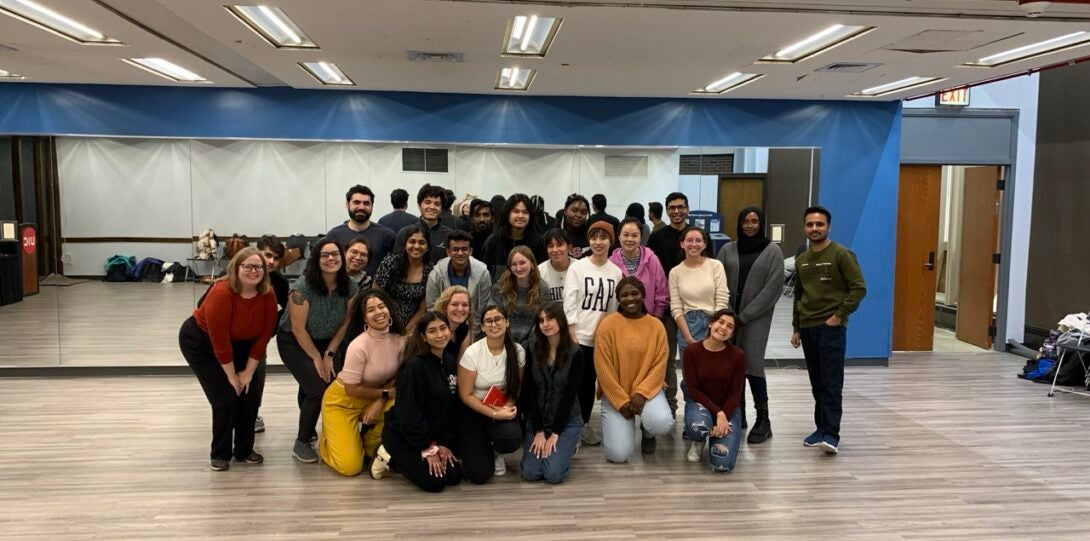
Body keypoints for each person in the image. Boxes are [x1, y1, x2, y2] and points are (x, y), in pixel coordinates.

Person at [179, 248, 278, 471]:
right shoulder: (222, 292)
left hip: (242, 342)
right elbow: (220, 342)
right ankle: (220, 453)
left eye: (259, 267)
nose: (254, 271)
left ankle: (244, 450)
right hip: (201, 343)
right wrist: (232, 376)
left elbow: (263, 337)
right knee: (225, 396)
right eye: (248, 266)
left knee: (249, 395)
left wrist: (248, 373)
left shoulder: (268, 294)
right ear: (235, 268)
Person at [791, 206, 867, 455]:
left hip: (831, 329)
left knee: (831, 383)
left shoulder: (842, 254)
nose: (814, 229)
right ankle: (820, 429)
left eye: (819, 224)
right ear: (804, 228)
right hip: (808, 327)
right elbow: (799, 295)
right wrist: (796, 327)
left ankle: (831, 434)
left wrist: (838, 316)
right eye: (810, 224)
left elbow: (858, 288)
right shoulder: (801, 260)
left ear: (829, 227)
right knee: (817, 382)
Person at [278, 238, 357, 464]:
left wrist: (329, 354)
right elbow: (298, 329)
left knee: (337, 385)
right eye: (325, 255)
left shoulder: (350, 285)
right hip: (294, 342)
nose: (331, 259)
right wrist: (316, 358)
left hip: (329, 341)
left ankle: (331, 433)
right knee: (316, 388)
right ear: (316, 260)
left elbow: (346, 322)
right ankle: (302, 442)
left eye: (335, 254)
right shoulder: (302, 288)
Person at [371, 312, 463, 492]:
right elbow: (408, 414)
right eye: (432, 331)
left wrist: (443, 443)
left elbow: (451, 408)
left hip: (432, 435)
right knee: (435, 483)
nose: (440, 334)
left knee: (454, 476)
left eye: (443, 328)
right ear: (423, 337)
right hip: (404, 436)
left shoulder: (450, 361)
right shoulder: (414, 367)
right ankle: (386, 456)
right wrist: (428, 448)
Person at [319, 289, 406, 476]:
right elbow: (351, 388)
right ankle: (327, 442)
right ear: (364, 318)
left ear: (389, 309)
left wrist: (380, 401)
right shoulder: (358, 345)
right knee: (351, 468)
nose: (379, 312)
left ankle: (367, 444)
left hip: (373, 396)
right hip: (342, 401)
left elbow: (395, 378)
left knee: (402, 407)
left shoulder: (399, 341)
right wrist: (384, 394)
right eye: (371, 310)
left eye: (381, 306)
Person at [716, 207, 784, 444]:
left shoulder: (772, 251)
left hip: (756, 319)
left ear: (761, 223)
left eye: (755, 221)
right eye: (746, 221)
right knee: (732, 366)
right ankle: (739, 413)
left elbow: (773, 289)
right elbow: (719, 281)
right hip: (728, 318)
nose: (750, 225)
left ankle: (763, 419)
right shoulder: (727, 249)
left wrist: (744, 316)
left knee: (753, 365)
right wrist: (728, 315)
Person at [594, 277, 674, 462]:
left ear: (643, 295)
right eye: (624, 295)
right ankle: (625, 424)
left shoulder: (656, 326)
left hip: (646, 392)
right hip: (616, 393)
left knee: (661, 423)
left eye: (635, 293)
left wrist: (642, 394)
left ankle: (648, 431)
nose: (630, 298)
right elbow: (602, 367)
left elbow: (660, 365)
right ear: (618, 299)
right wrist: (621, 401)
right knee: (618, 455)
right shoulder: (608, 325)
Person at [563, 221, 622, 446]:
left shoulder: (616, 272)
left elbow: (613, 309)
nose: (598, 242)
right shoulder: (577, 267)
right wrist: (572, 333)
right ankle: (571, 428)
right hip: (577, 336)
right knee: (574, 384)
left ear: (610, 240)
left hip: (600, 340)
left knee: (589, 385)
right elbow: (570, 301)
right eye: (594, 238)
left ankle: (584, 426)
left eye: (603, 237)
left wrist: (605, 338)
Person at [457, 305, 525, 482]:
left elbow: (515, 388)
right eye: (489, 321)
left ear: (507, 322)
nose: (494, 324)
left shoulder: (517, 351)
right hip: (475, 410)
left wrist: (506, 408)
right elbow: (465, 395)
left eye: (498, 319)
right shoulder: (472, 353)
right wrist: (493, 413)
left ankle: (496, 451)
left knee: (511, 438)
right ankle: (479, 448)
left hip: (501, 406)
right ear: (482, 327)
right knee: (479, 475)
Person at [520, 302, 584, 484]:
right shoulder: (531, 348)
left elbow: (570, 396)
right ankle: (554, 451)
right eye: (541, 320)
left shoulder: (576, 353)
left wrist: (555, 433)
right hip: (538, 419)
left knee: (553, 475)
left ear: (561, 321)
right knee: (531, 473)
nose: (545, 324)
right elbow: (529, 391)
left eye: (550, 319)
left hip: (565, 422)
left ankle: (567, 447)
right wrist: (539, 430)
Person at [682, 308, 746, 472]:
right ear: (711, 323)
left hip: (728, 409)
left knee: (721, 464)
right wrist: (718, 413)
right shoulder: (691, 351)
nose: (724, 328)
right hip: (700, 404)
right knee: (698, 429)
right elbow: (694, 390)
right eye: (721, 322)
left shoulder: (738, 356)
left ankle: (715, 437)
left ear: (732, 334)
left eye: (730, 326)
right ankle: (699, 440)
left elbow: (735, 394)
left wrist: (724, 414)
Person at [646, 192, 690, 417]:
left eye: (681, 207)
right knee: (667, 359)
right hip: (666, 309)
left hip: (693, 310)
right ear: (667, 210)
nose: (676, 211)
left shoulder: (696, 236)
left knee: (693, 359)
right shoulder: (657, 237)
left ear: (687, 209)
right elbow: (652, 274)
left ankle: (695, 406)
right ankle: (670, 406)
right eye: (672, 207)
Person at [671, 226, 729, 362]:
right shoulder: (675, 272)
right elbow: (676, 308)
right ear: (682, 243)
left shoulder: (716, 266)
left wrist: (715, 331)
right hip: (688, 325)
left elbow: (722, 299)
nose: (693, 244)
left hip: (714, 321)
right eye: (689, 240)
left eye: (698, 240)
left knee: (713, 375)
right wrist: (688, 337)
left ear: (704, 244)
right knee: (690, 379)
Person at [253, 235, 288, 434]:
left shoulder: (280, 282)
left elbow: (287, 308)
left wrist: (269, 330)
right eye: (267, 255)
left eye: (275, 258)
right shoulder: (235, 272)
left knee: (257, 377)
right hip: (231, 338)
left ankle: (253, 412)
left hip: (258, 340)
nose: (271, 261)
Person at [424, 230, 493, 327]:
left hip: (472, 327)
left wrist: (473, 336)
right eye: (455, 249)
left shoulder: (483, 273)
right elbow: (432, 308)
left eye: (464, 249)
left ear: (471, 251)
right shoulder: (435, 275)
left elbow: (482, 309)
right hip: (444, 327)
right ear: (448, 252)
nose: (460, 253)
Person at [327, 184, 396, 276]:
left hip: (376, 289)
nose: (361, 207)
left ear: (372, 206)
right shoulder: (334, 235)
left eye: (366, 203)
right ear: (347, 205)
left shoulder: (387, 235)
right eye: (356, 202)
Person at [375, 224, 434, 329]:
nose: (416, 246)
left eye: (421, 242)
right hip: (383, 321)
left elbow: (423, 308)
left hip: (413, 328)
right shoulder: (390, 263)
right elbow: (376, 293)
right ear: (405, 245)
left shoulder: (431, 271)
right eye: (412, 241)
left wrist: (406, 332)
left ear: (428, 247)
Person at [609, 218, 668, 320]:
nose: (630, 239)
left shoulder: (652, 259)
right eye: (626, 235)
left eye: (634, 235)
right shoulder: (610, 263)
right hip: (619, 321)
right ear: (619, 236)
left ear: (641, 237)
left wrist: (657, 317)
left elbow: (662, 291)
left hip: (649, 319)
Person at [492, 246, 548, 345]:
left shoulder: (542, 289)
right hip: (502, 341)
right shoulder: (499, 288)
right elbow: (494, 317)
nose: (518, 268)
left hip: (532, 344)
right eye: (514, 264)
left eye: (522, 263)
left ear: (532, 264)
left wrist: (527, 346)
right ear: (509, 267)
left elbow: (541, 321)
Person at [481, 193, 546, 279]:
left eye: (525, 212)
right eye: (516, 211)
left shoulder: (539, 242)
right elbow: (485, 274)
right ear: (508, 213)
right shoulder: (493, 241)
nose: (520, 216)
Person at [395, 184, 453, 262]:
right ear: (419, 205)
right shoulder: (404, 233)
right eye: (427, 202)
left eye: (437, 204)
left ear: (441, 209)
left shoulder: (450, 236)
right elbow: (396, 263)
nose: (432, 207)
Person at [434, 285, 473, 361]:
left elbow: (462, 363)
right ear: (445, 307)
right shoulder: (434, 328)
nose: (460, 309)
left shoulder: (464, 328)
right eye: (455, 304)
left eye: (465, 305)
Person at [538, 229, 573, 303]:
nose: (555, 250)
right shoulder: (539, 271)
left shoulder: (580, 267)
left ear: (569, 247)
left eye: (559, 245)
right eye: (551, 246)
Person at [557, 193, 590, 259]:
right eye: (574, 210)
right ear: (565, 211)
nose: (578, 215)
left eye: (583, 212)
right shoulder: (554, 233)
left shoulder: (591, 234)